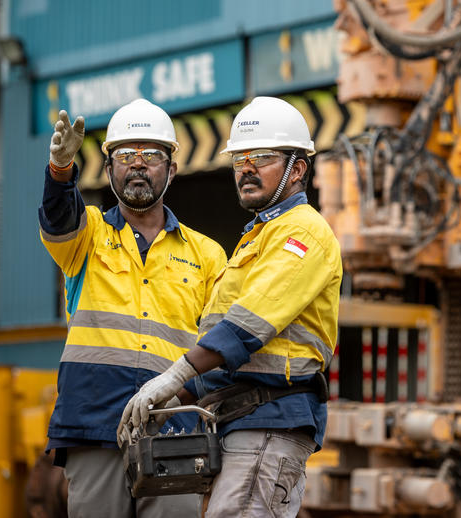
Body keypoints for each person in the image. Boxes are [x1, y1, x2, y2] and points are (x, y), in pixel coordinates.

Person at [118, 96, 343, 518]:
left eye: (261, 157)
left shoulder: (303, 233)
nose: (246, 169)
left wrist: (174, 376)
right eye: (239, 159)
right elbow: (227, 357)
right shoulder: (257, 239)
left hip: (270, 422)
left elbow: (246, 328)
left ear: (298, 169)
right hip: (243, 422)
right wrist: (173, 399)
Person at [39, 98, 226, 518]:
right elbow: (57, 217)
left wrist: (181, 393)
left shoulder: (209, 255)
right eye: (125, 155)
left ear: (172, 170)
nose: (138, 165)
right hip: (94, 424)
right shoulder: (85, 236)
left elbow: (220, 345)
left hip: (175, 430)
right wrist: (60, 173)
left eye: (151, 155)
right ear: (108, 171)